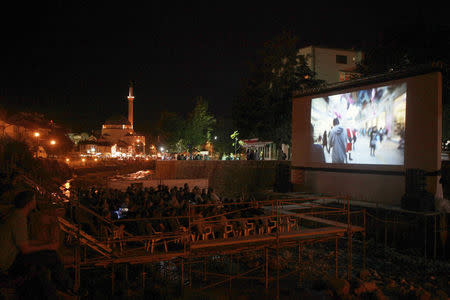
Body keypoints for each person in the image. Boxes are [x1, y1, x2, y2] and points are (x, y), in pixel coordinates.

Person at [0, 190, 75, 299]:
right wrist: (49, 246)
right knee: (51, 256)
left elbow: (23, 241)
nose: (36, 202)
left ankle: (60, 290)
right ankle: (69, 287)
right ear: (29, 203)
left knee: (43, 264)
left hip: (11, 256)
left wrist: (45, 243)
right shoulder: (19, 218)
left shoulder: (16, 214)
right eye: (34, 199)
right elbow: (25, 249)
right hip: (8, 261)